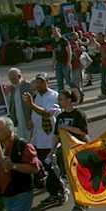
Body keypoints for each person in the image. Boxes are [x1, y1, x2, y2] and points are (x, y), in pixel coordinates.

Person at [24, 74, 62, 202]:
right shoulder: (36, 97)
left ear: (47, 82)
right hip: (38, 139)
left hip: (50, 140)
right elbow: (35, 114)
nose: (38, 85)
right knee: (46, 167)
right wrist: (30, 120)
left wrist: (31, 105)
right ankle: (54, 191)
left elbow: (47, 113)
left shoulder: (54, 96)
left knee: (52, 167)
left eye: (41, 82)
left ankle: (60, 191)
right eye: (37, 82)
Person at [52, 89, 89, 211]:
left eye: (61, 99)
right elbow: (56, 135)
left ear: (69, 100)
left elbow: (83, 132)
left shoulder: (79, 114)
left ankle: (82, 203)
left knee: (80, 177)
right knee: (72, 179)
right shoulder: (60, 117)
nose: (59, 101)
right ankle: (79, 203)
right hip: (66, 152)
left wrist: (66, 128)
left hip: (79, 151)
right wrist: (51, 152)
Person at [5, 68, 33, 140]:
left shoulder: (28, 86)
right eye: (10, 79)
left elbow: (33, 104)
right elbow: (10, 106)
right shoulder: (12, 89)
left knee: (31, 140)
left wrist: (31, 119)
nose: (12, 81)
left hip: (28, 120)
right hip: (18, 121)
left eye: (14, 79)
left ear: (19, 76)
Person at [51, 27, 72, 92]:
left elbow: (69, 52)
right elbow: (54, 53)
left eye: (55, 31)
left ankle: (74, 94)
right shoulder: (53, 42)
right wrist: (53, 64)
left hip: (65, 63)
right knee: (59, 82)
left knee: (69, 81)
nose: (54, 33)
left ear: (59, 31)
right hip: (58, 64)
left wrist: (69, 62)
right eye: (53, 32)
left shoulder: (64, 40)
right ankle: (61, 96)